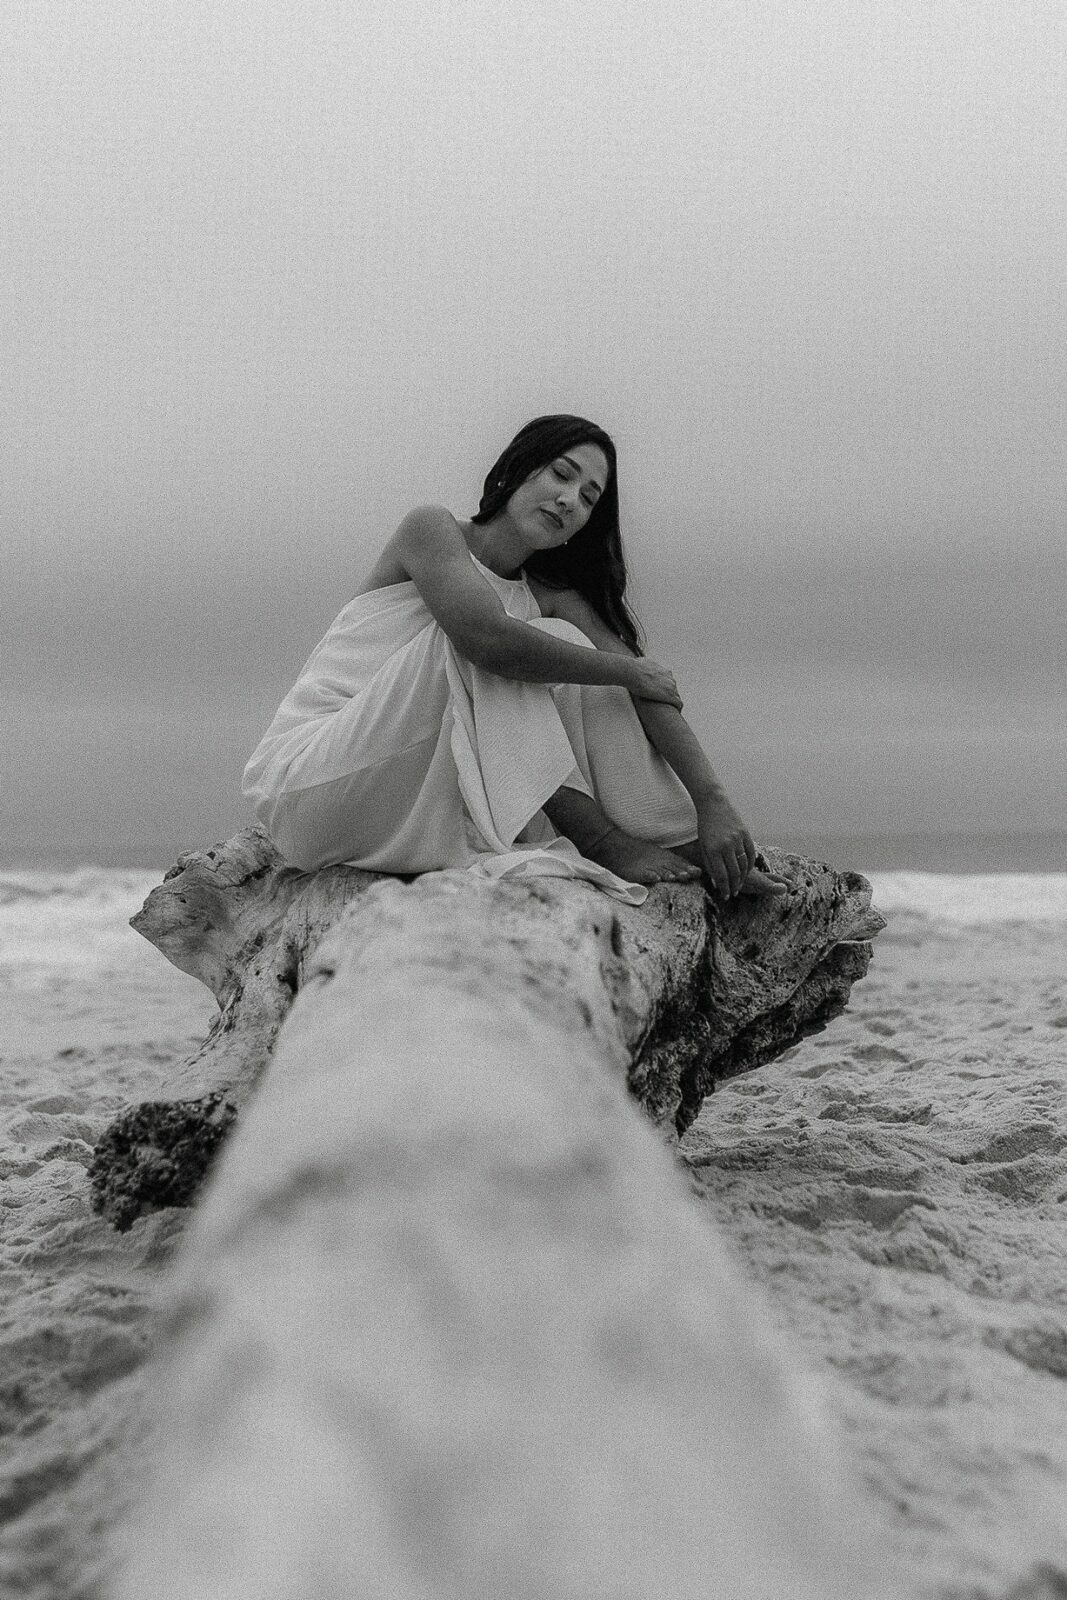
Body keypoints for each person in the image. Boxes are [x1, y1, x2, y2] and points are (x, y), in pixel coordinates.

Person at [243, 415, 787, 906]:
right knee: (517, 644)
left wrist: (712, 805)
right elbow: (488, 641)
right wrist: (625, 669)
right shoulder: (432, 530)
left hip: (406, 808)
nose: (570, 500)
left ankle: (673, 839)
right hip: (311, 783)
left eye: (589, 498)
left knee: (569, 652)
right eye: (561, 474)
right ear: (517, 469)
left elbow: (647, 689)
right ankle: (601, 839)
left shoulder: (551, 596)